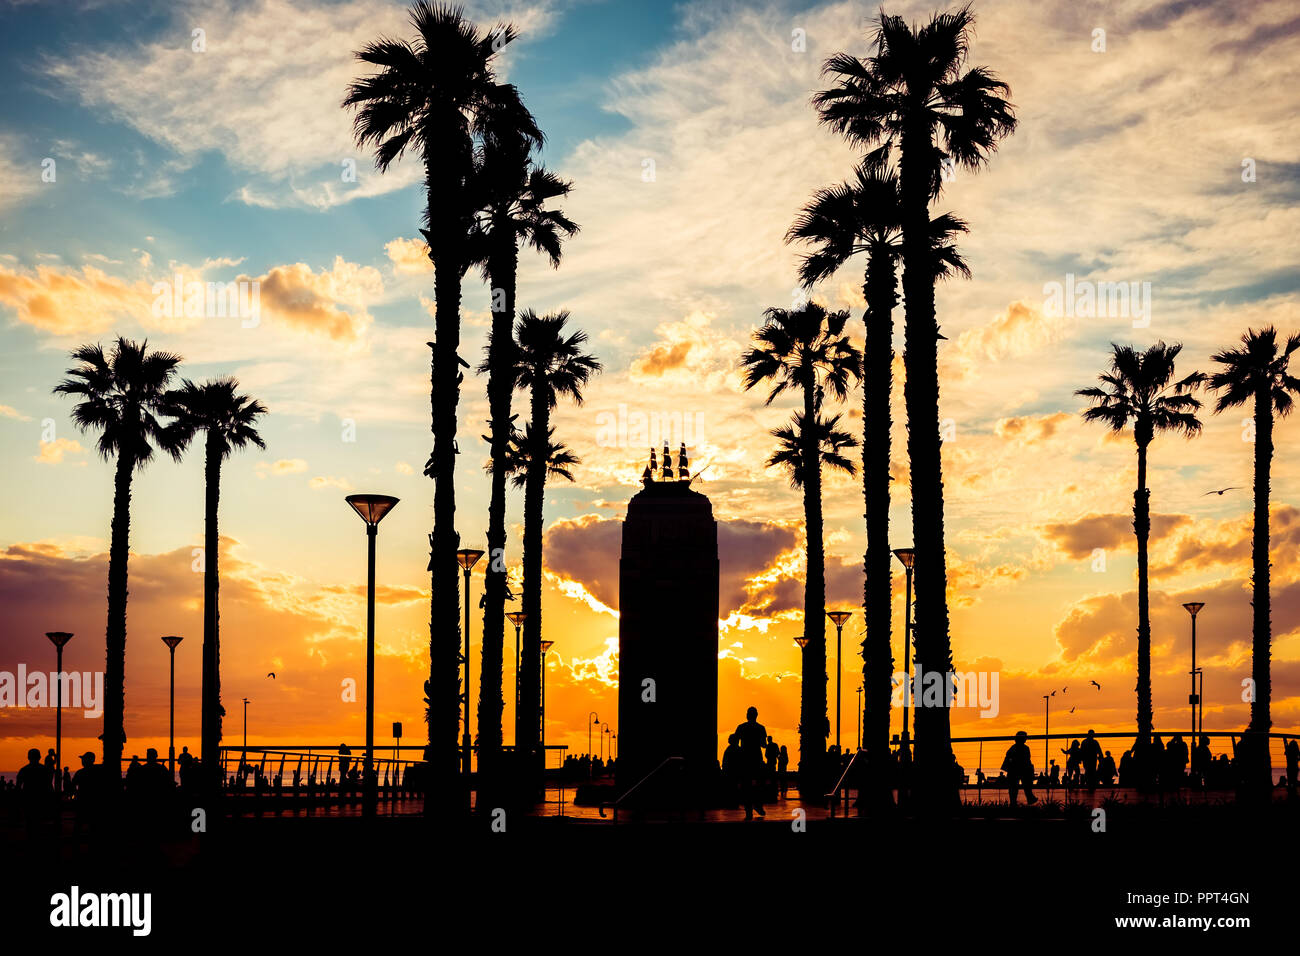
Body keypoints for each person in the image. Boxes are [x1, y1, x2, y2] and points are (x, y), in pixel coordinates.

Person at [733, 707, 768, 819]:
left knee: (745, 785)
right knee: (759, 784)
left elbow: (735, 742)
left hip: (745, 759)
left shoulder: (741, 727)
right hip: (756, 758)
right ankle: (758, 804)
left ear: (747, 715)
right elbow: (763, 745)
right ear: (756, 715)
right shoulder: (761, 728)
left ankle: (748, 810)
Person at [1001, 731, 1037, 805]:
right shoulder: (1025, 748)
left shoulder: (1013, 748)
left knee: (1013, 789)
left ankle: (1014, 802)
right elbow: (1027, 761)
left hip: (1013, 770)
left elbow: (1008, 758)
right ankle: (1029, 797)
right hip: (1021, 770)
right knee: (1026, 785)